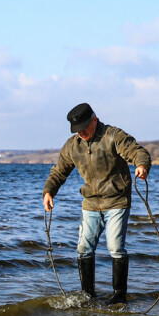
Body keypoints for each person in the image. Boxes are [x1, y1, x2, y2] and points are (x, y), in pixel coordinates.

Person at [42, 103, 151, 304]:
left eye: (84, 128)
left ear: (94, 119)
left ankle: (119, 296)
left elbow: (136, 151)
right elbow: (59, 171)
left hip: (117, 200)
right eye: (77, 131)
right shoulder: (72, 145)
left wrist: (142, 165)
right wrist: (49, 192)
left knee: (115, 247)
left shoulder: (113, 135)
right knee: (84, 248)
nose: (81, 133)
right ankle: (88, 295)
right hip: (91, 203)